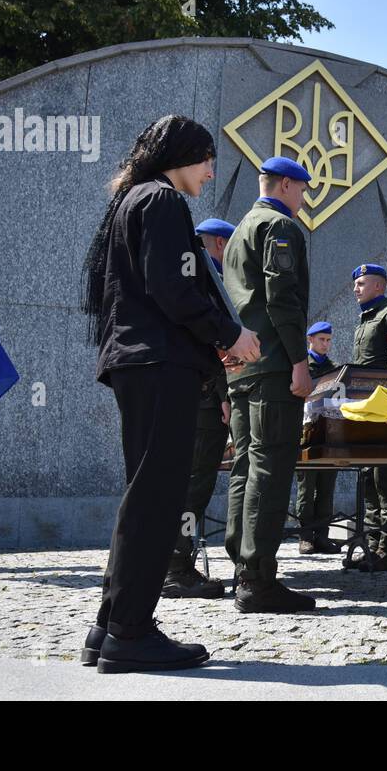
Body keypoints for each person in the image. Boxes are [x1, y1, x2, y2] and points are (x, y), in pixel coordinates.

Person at [79, 114, 260, 674]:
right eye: (207, 159)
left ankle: (111, 624)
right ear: (180, 154)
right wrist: (231, 335)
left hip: (140, 364)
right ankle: (129, 633)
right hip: (160, 366)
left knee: (144, 494)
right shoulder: (161, 201)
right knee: (157, 499)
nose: (211, 172)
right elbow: (173, 289)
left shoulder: (133, 200)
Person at [224, 155, 319, 612]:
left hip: (242, 369)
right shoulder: (279, 228)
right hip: (274, 364)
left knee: (246, 465)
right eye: (302, 190)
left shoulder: (240, 230)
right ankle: (258, 579)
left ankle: (242, 566)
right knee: (271, 465)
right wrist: (300, 362)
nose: (303, 199)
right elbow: (283, 300)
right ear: (285, 185)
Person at [161, 217, 238, 599]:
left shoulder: (184, 278)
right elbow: (217, 346)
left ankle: (162, 563)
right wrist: (225, 395)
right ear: (222, 246)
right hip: (206, 400)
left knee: (175, 482)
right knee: (194, 486)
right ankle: (177, 567)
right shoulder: (209, 283)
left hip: (181, 395)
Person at [347, 263, 387, 571]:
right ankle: (372, 545)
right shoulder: (364, 321)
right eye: (355, 283)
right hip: (364, 407)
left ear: (379, 286)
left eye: (362, 283)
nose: (356, 288)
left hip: (384, 405)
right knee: (367, 477)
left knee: (385, 476)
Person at [297, 321, 341, 555]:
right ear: (310, 340)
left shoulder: (334, 368)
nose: (326, 344)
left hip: (329, 433)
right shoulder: (303, 365)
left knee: (326, 487)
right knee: (307, 487)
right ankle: (306, 537)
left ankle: (322, 536)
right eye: (321, 339)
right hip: (307, 432)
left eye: (328, 340)